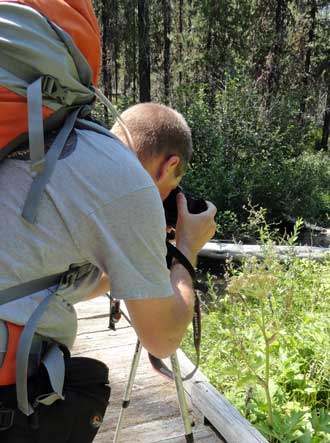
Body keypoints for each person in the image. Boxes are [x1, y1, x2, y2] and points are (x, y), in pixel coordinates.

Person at [0, 7, 217, 443]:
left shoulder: (47, 150)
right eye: (173, 185)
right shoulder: (125, 184)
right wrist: (187, 247)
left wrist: (141, 261)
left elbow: (54, 279)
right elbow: (162, 341)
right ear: (169, 165)